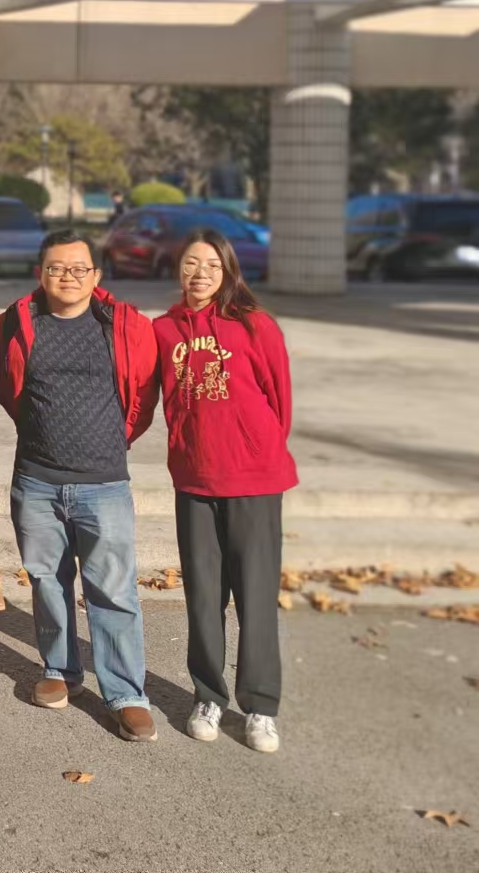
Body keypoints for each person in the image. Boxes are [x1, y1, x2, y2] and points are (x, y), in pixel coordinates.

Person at [0, 229, 160, 742]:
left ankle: (126, 694)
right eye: (56, 268)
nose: (67, 276)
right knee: (47, 580)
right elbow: (8, 388)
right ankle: (59, 670)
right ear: (40, 273)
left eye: (78, 268)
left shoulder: (125, 325)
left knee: (113, 590)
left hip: (103, 483)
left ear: (96, 275)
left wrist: (110, 442)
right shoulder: (16, 322)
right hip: (37, 480)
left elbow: (142, 397)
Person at [154, 229, 296, 754]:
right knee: (203, 596)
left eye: (212, 266)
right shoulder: (164, 329)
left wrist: (254, 446)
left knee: (255, 595)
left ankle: (260, 707)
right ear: (178, 268)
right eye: (191, 264)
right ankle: (208, 696)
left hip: (254, 479)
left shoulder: (255, 324)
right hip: (194, 479)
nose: (200, 274)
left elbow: (279, 400)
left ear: (228, 271)